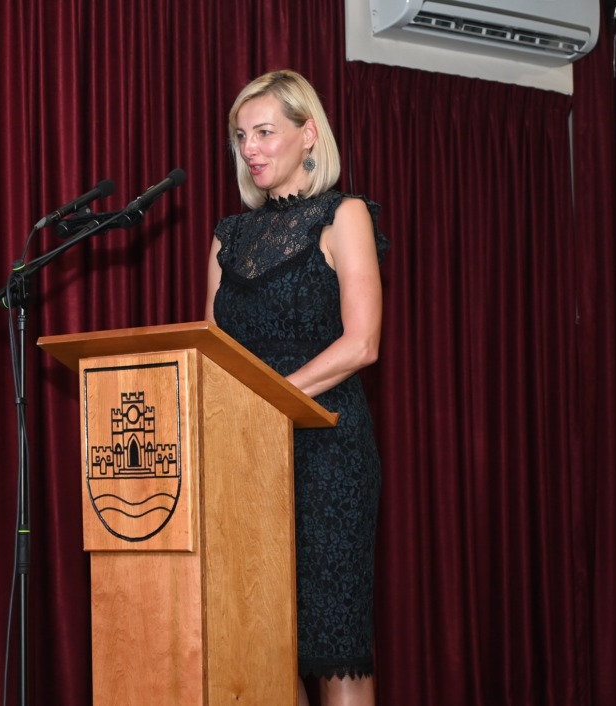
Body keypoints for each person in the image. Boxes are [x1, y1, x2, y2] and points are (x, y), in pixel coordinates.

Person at [204, 69, 389, 706]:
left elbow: (362, 344)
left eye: (263, 132)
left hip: (328, 453)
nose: (249, 148)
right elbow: (214, 351)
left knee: (334, 653)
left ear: (308, 134)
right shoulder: (228, 236)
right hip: (247, 457)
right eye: (240, 136)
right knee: (262, 647)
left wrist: (268, 399)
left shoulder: (344, 215)